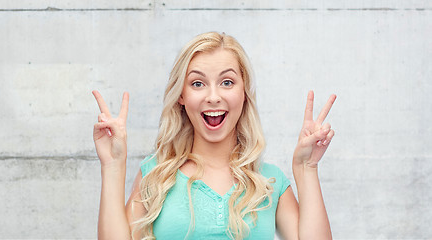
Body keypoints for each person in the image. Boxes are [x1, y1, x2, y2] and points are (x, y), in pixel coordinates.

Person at [92, 32, 336, 240]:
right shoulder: (155, 175)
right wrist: (113, 165)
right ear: (181, 96)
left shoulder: (270, 182)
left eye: (227, 82)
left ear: (244, 93)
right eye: (198, 84)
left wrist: (307, 167)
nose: (213, 96)